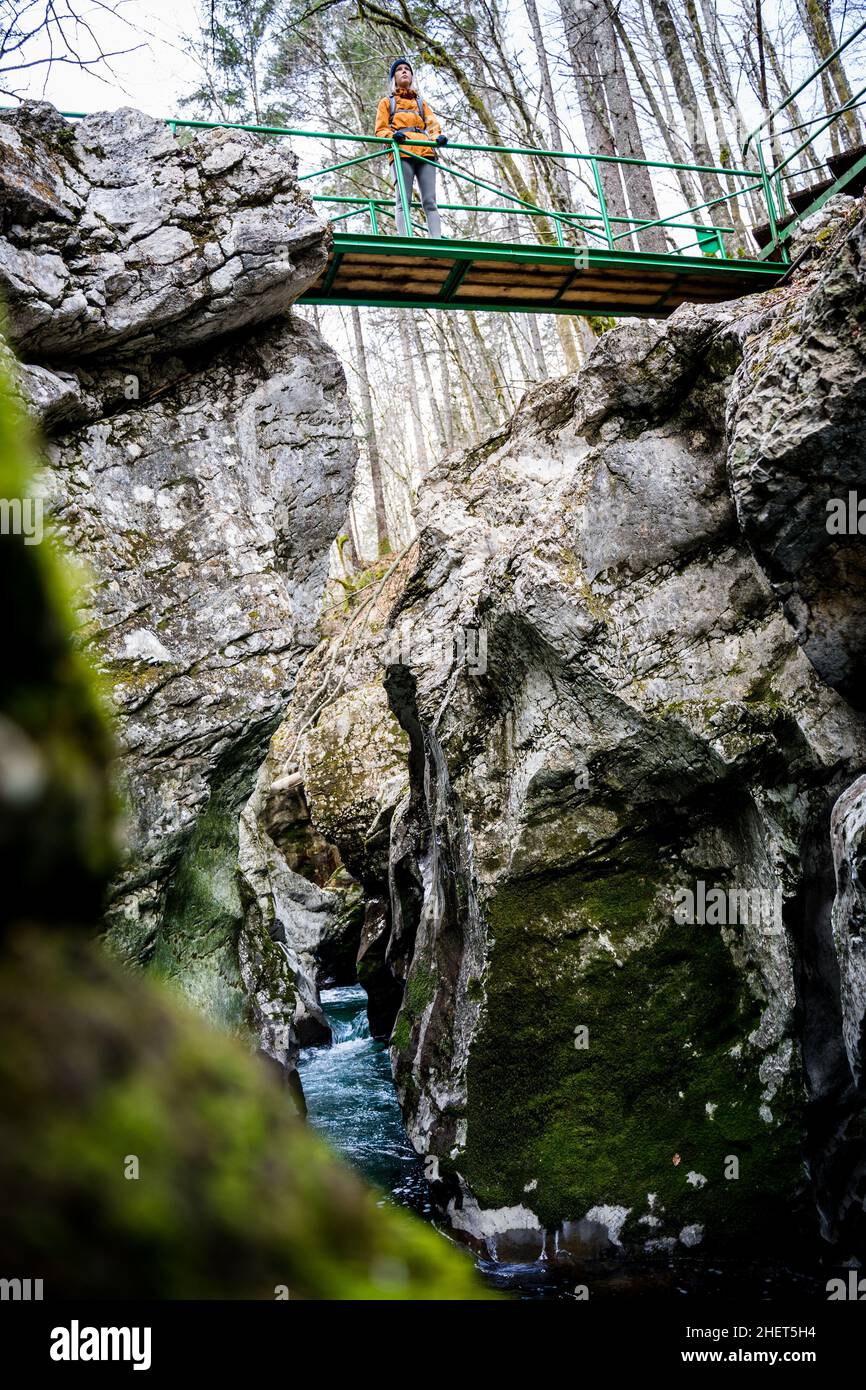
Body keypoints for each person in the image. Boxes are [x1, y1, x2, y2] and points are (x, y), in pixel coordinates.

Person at [375, 58, 448, 238]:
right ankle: (406, 240)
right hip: (401, 152)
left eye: (407, 69)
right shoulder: (387, 102)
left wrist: (437, 136)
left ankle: (436, 241)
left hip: (425, 152)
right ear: (394, 77)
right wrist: (392, 136)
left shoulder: (421, 103)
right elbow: (380, 129)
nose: (404, 71)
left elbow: (432, 124)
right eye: (399, 70)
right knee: (403, 201)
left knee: (430, 201)